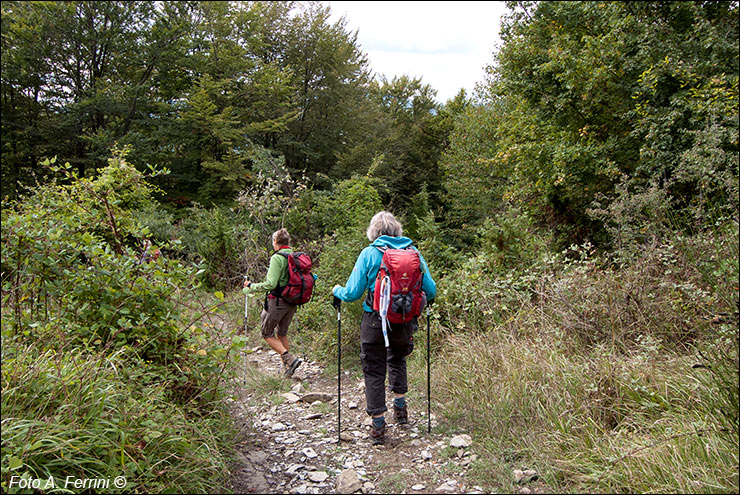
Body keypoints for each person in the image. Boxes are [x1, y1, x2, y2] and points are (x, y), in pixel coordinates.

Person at [332, 211, 436, 445]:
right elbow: (431, 290)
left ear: (374, 232)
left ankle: (378, 425)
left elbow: (352, 293)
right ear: (397, 230)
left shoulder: (369, 254)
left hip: (374, 320)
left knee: (374, 368)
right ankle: (400, 408)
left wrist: (336, 290)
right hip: (403, 320)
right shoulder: (414, 254)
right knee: (398, 358)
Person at [244, 228, 302, 377]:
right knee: (282, 333)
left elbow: (271, 284)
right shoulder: (295, 255)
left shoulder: (277, 257)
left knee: (267, 333)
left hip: (277, 302)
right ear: (288, 242)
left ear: (275, 242)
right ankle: (288, 368)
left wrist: (251, 286)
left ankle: (290, 358)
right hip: (292, 302)